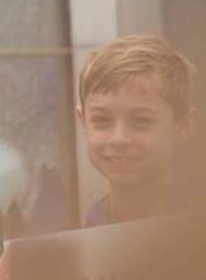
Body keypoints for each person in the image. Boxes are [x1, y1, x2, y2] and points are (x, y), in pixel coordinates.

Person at [75, 35, 196, 226]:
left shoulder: (196, 230)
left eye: (140, 121)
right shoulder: (90, 228)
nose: (119, 139)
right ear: (82, 121)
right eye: (102, 120)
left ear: (183, 126)